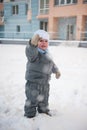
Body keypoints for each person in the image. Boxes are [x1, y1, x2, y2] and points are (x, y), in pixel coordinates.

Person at [24, 30, 61, 118]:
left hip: (45, 83)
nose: (43, 43)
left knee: (44, 99)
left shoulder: (47, 54)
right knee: (32, 100)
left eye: (46, 41)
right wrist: (32, 44)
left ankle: (43, 111)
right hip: (33, 83)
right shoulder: (35, 54)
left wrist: (56, 70)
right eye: (41, 41)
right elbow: (30, 51)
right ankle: (30, 114)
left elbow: (51, 64)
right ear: (37, 42)